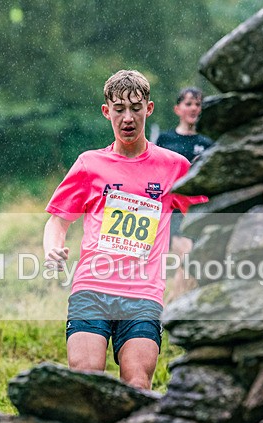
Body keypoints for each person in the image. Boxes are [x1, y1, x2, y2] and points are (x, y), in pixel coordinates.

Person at [43, 70, 206, 390]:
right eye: (119, 109)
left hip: (143, 294)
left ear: (149, 108)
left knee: (137, 383)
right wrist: (53, 246)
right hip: (92, 288)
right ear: (107, 112)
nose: (127, 117)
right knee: (87, 381)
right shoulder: (90, 164)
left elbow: (208, 214)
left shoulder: (174, 166)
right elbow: (58, 219)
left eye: (135, 108)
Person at [155, 87, 213, 302]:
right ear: (177, 109)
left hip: (199, 210)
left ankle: (173, 307)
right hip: (173, 210)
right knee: (187, 258)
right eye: (189, 103)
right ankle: (172, 309)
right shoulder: (165, 139)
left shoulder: (208, 144)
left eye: (198, 104)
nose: (194, 108)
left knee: (190, 263)